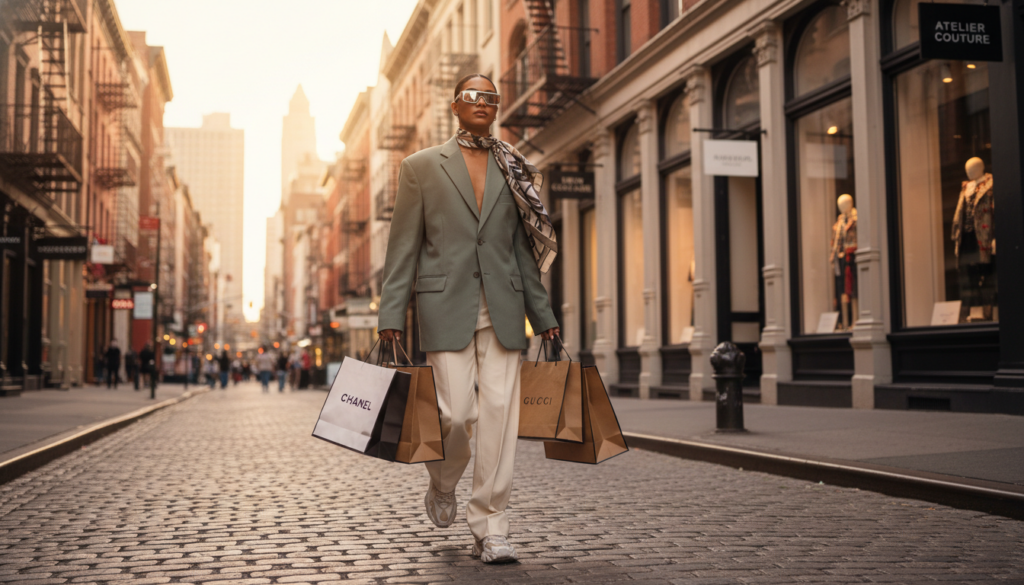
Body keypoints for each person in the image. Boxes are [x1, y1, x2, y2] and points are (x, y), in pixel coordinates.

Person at [377, 74, 559, 564]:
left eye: (490, 97)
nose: (483, 102)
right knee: (456, 415)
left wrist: (543, 315)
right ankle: (442, 481)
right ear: (455, 106)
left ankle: (491, 526)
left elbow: (522, 250)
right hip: (445, 306)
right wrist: (390, 314)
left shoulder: (513, 167)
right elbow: (403, 248)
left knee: (500, 420)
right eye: (473, 96)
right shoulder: (419, 168)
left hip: (505, 306)